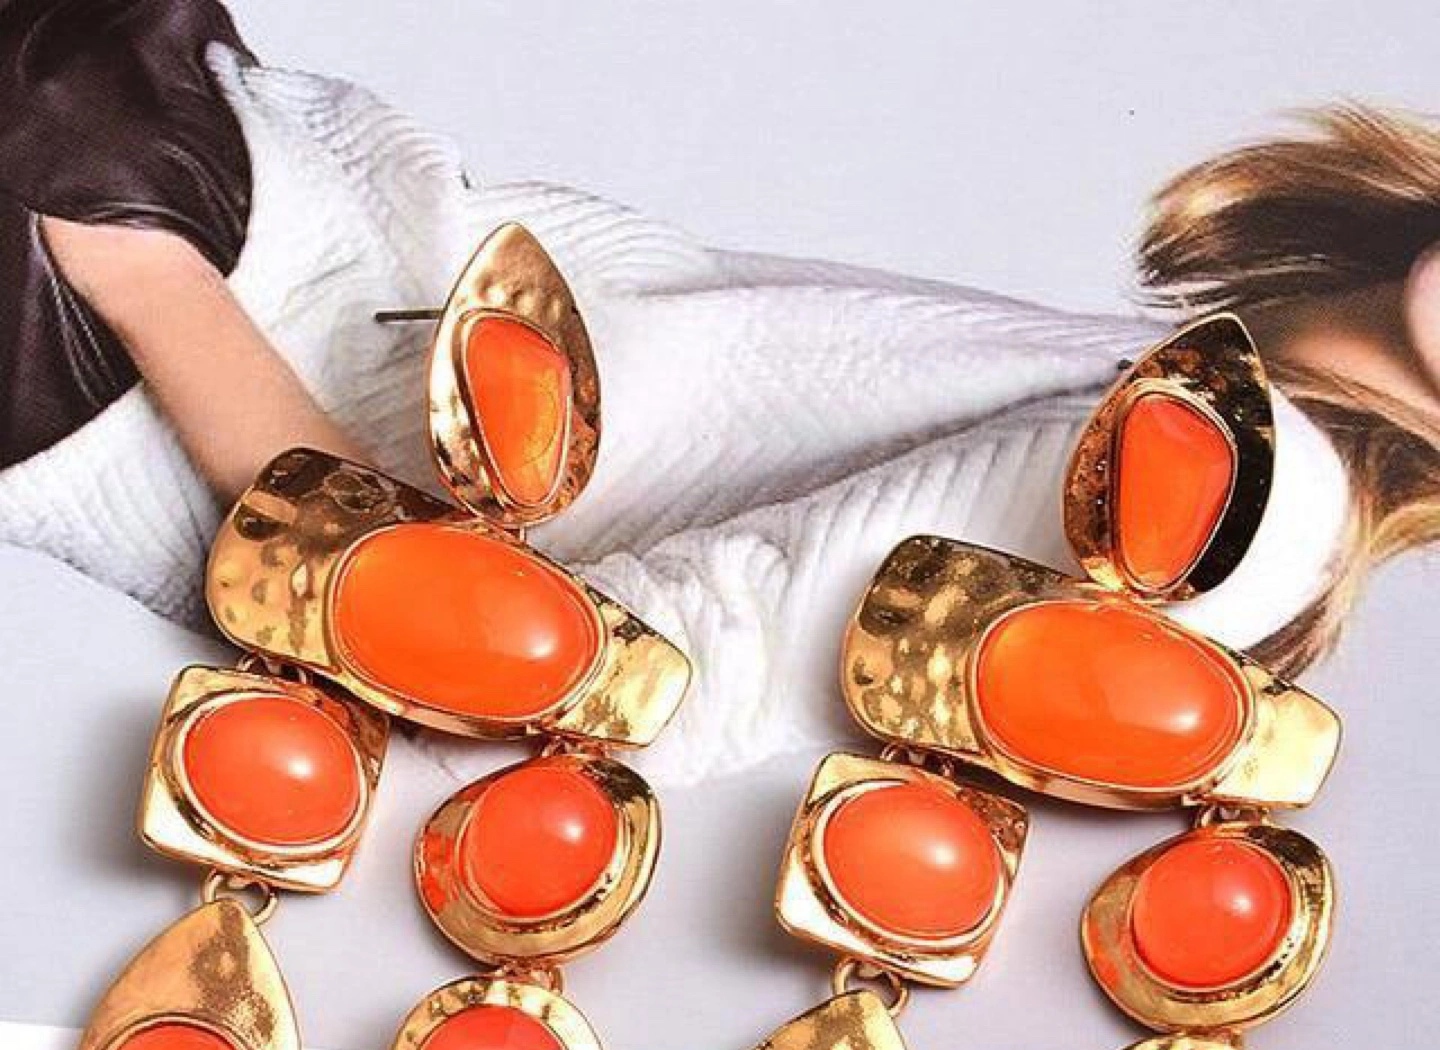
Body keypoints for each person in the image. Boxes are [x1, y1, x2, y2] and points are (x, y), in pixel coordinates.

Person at [1, 0, 1435, 786]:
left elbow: (592, 686)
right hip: (199, 191)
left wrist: (149, 282)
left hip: (121, 326)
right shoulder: (1232, 384)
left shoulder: (1261, 499)